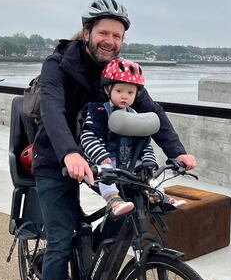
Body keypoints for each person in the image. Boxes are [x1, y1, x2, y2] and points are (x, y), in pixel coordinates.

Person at [31, 0, 196, 280]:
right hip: (57, 159)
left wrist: (177, 150)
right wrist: (70, 152)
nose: (110, 40)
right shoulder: (58, 65)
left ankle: (92, 266)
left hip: (106, 159)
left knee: (131, 204)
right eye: (104, 32)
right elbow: (53, 112)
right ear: (87, 32)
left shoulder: (119, 72)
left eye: (117, 36)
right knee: (62, 236)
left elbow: (151, 111)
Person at [79, 57, 186, 217]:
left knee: (148, 175)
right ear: (108, 90)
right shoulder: (98, 111)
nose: (124, 96)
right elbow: (88, 136)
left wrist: (150, 161)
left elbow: (144, 141)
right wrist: (101, 156)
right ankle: (113, 200)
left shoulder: (135, 115)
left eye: (130, 92)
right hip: (105, 160)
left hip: (129, 161)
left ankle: (159, 195)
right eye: (119, 91)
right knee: (106, 175)